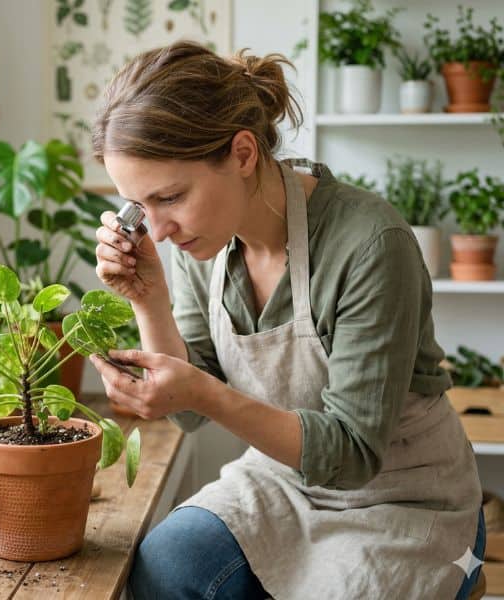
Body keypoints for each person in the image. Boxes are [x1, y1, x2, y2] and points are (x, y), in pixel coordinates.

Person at [88, 41, 486, 600]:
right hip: (285, 479)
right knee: (166, 564)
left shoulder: (370, 243)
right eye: (137, 207)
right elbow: (190, 412)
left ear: (243, 154)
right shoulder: (202, 242)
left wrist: (201, 393)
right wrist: (147, 298)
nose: (156, 231)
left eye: (171, 196)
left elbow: (351, 454)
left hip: (400, 495)